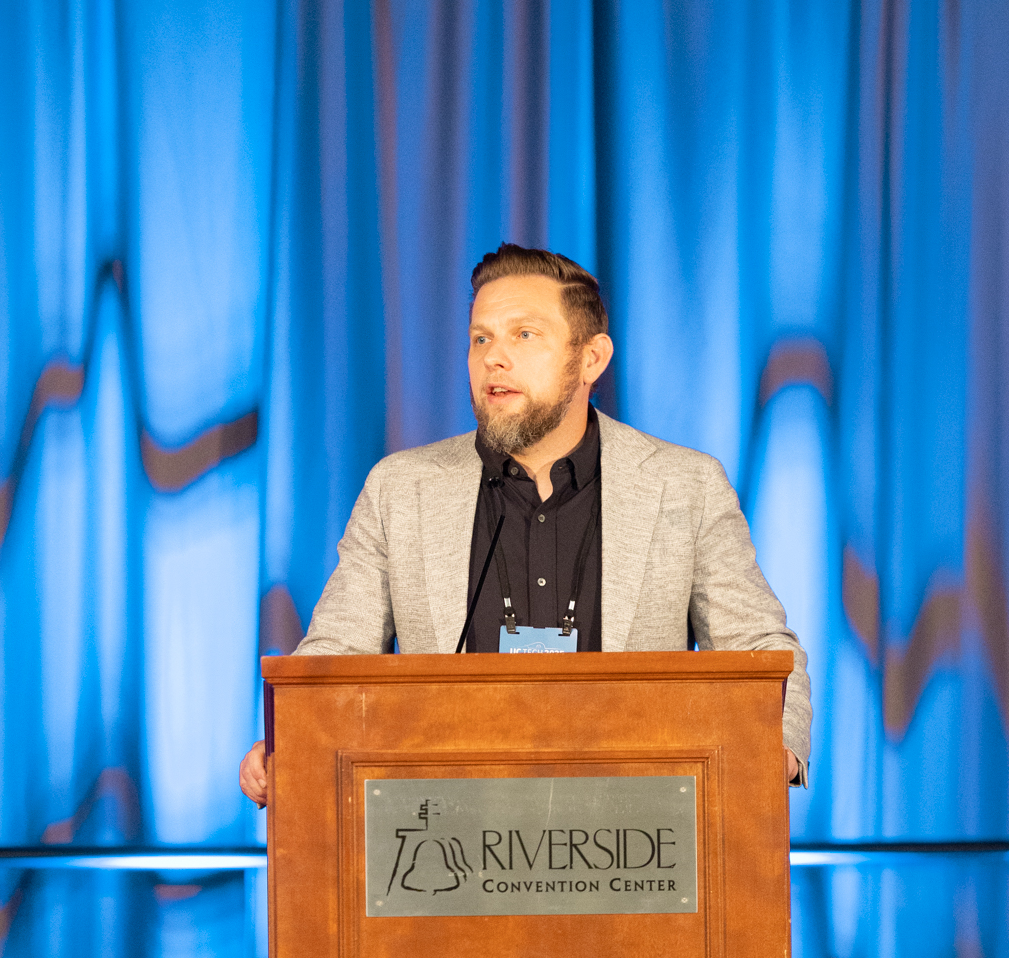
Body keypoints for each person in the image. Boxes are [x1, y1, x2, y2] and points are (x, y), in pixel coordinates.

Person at [239, 243, 810, 803]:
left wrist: (775, 747)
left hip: (634, 829)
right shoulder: (400, 489)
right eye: (480, 338)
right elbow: (334, 658)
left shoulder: (684, 485)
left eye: (524, 335)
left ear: (591, 359)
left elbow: (759, 647)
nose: (494, 357)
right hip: (451, 833)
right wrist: (289, 741)